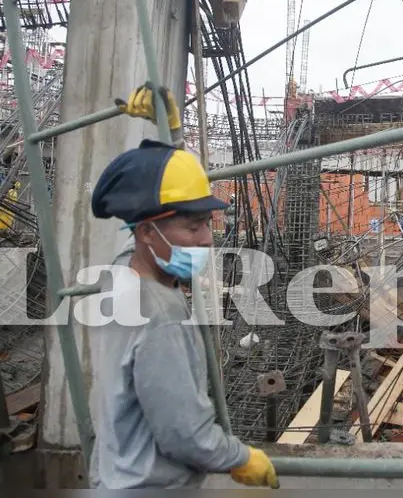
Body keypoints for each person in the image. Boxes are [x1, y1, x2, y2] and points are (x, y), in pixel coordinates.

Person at [87, 85, 277, 489]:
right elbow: (185, 435)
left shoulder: (121, 277)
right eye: (193, 226)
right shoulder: (160, 314)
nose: (208, 238)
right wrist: (242, 458)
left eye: (207, 224)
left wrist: (170, 142)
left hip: (114, 477)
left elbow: (135, 234)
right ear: (149, 232)